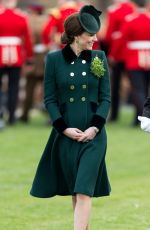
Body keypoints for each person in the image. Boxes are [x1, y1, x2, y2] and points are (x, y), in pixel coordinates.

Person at [30, 5, 111, 230]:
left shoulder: (99, 57)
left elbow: (106, 99)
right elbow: (50, 99)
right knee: (76, 191)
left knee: (84, 190)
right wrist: (63, 128)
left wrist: (95, 128)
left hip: (94, 135)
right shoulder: (54, 59)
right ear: (76, 35)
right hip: (65, 135)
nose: (95, 38)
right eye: (90, 34)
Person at [108, 0, 150, 126]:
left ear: (134, 5)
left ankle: (144, 117)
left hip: (134, 59)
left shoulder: (130, 19)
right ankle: (142, 117)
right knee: (146, 89)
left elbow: (121, 38)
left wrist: (113, 55)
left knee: (138, 89)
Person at [0, 0, 33, 126]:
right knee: (13, 87)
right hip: (16, 55)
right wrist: (29, 57)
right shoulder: (21, 17)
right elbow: (27, 39)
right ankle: (12, 116)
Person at [105, 0, 136, 122]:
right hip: (131, 53)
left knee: (115, 84)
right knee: (136, 86)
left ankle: (114, 114)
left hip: (117, 53)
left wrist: (111, 51)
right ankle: (137, 114)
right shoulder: (133, 8)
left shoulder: (114, 11)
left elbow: (109, 35)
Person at [20, 4, 47, 123]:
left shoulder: (30, 22)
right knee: (49, 91)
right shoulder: (47, 20)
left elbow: (27, 40)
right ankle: (52, 117)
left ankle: (25, 115)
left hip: (35, 60)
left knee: (29, 89)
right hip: (45, 59)